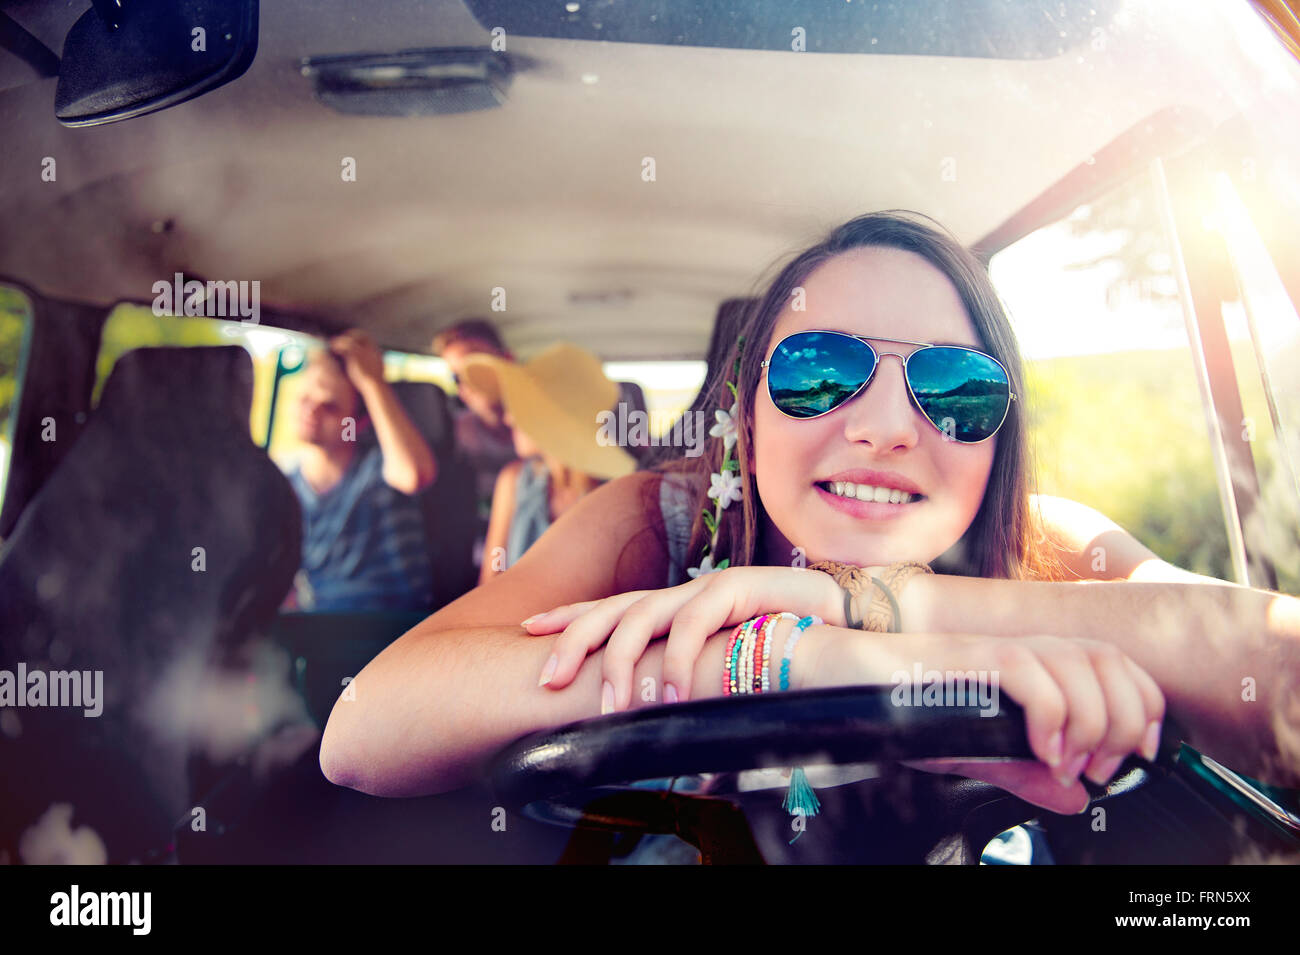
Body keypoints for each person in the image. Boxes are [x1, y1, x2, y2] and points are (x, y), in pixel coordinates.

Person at [320, 212, 1299, 853]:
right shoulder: (660, 522)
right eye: (819, 372)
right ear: (748, 414)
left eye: (956, 386)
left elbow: (1279, 675)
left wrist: (887, 607)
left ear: (1000, 434)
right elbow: (364, 729)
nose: (880, 426)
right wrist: (783, 656)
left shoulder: (1045, 544)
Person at [285, 329, 439, 612]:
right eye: (305, 398)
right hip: (321, 631)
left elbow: (413, 475)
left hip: (393, 630)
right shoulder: (285, 487)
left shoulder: (380, 467)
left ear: (359, 423)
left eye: (330, 406)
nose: (312, 411)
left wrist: (372, 383)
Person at [462, 343, 638, 585]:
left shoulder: (622, 495)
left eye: (521, 408)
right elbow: (490, 580)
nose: (508, 417)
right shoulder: (513, 480)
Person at [431, 319, 521, 572]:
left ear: (507, 360)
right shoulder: (450, 436)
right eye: (457, 377)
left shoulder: (547, 432)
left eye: (476, 368)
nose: (468, 383)